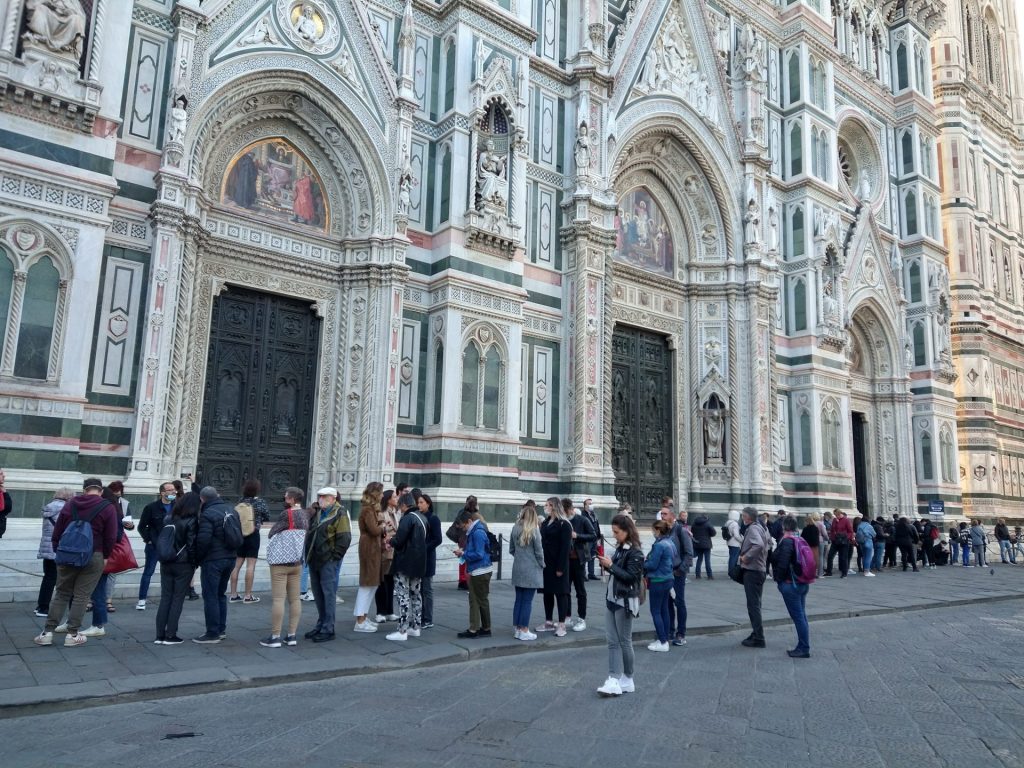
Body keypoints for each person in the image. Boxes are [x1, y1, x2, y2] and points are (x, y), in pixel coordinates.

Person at [34, 479, 118, 648]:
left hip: (67, 553)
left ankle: (47, 633)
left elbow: (58, 531)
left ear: (84, 490)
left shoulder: (70, 504)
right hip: (94, 553)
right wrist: (106, 555)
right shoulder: (107, 507)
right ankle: (72, 634)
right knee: (82, 595)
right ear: (100, 491)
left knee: (62, 593)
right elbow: (111, 536)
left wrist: (59, 550)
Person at [596, 514, 644, 697]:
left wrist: (611, 566)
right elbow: (619, 573)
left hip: (624, 601)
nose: (614, 535)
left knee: (624, 641)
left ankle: (627, 677)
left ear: (627, 531)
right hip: (612, 598)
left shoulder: (636, 552)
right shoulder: (621, 549)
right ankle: (615, 678)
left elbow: (631, 577)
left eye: (617, 532)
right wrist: (608, 564)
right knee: (612, 641)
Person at [260, 487, 308, 647]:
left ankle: (275, 637)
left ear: (293, 500)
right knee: (295, 599)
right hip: (296, 562)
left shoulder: (286, 514)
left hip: (280, 562)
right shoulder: (305, 514)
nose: (284, 500)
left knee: (279, 599)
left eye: (287, 498)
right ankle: (292, 635)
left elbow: (272, 532)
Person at [304, 487, 351, 642]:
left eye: (323, 497)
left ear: (333, 498)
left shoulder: (340, 513)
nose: (320, 499)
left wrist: (334, 557)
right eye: (319, 496)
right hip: (314, 559)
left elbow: (344, 538)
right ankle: (321, 624)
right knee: (318, 595)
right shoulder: (318, 512)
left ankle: (328, 628)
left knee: (328, 595)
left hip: (328, 560)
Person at [192, 486, 237, 643]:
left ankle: (212, 632)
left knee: (210, 595)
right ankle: (221, 629)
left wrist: (197, 558)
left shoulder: (207, 513)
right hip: (230, 558)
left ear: (202, 499)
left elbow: (203, 539)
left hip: (213, 559)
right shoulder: (231, 509)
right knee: (220, 594)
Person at [154, 491, 201, 645]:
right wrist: (194, 563)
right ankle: (171, 634)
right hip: (183, 563)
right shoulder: (192, 520)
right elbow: (191, 544)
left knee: (166, 597)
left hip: (166, 561)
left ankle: (160, 634)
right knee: (177, 598)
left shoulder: (168, 518)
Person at [386, 493, 428, 641]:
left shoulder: (407, 518)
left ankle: (402, 630)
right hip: (419, 563)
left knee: (403, 596)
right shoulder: (422, 518)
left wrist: (390, 541)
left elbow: (399, 540)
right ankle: (416, 627)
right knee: (416, 595)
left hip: (404, 563)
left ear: (404, 505)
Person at [772, 515, 811, 658]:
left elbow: (782, 563)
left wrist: (779, 581)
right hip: (802, 582)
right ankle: (803, 645)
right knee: (802, 615)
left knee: (798, 617)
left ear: (784, 527)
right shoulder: (800, 539)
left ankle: (804, 647)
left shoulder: (787, 541)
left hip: (790, 584)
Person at [136, 481, 177, 610]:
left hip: (171, 546)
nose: (173, 492)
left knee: (171, 573)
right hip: (154, 545)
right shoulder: (151, 507)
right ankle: (142, 599)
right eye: (170, 490)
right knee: (148, 572)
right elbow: (142, 526)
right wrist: (148, 540)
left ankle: (169, 599)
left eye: (174, 490)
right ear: (162, 493)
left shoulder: (178, 507)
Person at [454, 508, 492, 638]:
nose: (463, 529)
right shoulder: (477, 531)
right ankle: (485, 628)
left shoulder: (477, 533)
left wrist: (464, 553)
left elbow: (479, 554)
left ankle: (474, 629)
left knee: (475, 600)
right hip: (481, 569)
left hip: (479, 570)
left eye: (463, 526)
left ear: (469, 521)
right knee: (481, 599)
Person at [228, 479, 269, 604]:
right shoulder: (260, 502)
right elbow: (266, 516)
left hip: (240, 535)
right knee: (250, 566)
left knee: (236, 565)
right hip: (253, 534)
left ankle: (233, 594)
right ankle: (247, 595)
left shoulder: (240, 501)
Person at [537, 496, 572, 636]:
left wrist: (560, 568)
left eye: (547, 505)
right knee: (547, 593)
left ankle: (562, 624)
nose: (545, 507)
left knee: (561, 594)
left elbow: (565, 548)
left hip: (558, 564)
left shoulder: (564, 524)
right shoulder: (545, 523)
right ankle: (548, 621)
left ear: (554, 506)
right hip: (546, 564)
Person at [34, 488, 72, 617]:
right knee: (56, 578)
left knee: (47, 577)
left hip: (46, 547)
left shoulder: (49, 507)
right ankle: (44, 608)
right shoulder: (66, 509)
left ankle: (41, 605)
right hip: (57, 548)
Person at [509, 500, 544, 640]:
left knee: (519, 599)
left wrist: (520, 557)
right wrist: (542, 564)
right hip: (531, 568)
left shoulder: (515, 528)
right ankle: (524, 629)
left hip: (518, 567)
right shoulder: (534, 530)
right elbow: (539, 551)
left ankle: (518, 628)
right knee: (527, 601)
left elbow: (511, 549)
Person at [354, 482, 384, 633]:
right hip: (368, 547)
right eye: (381, 492)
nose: (383, 495)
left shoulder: (371, 509)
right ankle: (360, 620)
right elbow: (373, 530)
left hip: (373, 546)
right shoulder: (367, 510)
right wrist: (383, 526)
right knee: (367, 583)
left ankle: (364, 617)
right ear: (376, 494)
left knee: (372, 583)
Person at [738, 506, 769, 648]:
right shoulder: (760, 526)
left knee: (753, 605)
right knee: (756, 604)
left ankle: (759, 637)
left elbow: (759, 545)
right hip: (758, 570)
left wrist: (745, 557)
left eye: (743, 516)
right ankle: (756, 633)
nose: (742, 518)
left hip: (753, 571)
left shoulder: (753, 528)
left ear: (748, 517)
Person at [565, 497, 596, 631]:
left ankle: (581, 618)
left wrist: (577, 536)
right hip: (565, 560)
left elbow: (593, 535)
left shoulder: (582, 520)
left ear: (571, 510)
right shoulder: (562, 521)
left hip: (578, 559)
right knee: (565, 590)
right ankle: (567, 616)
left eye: (566, 511)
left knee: (580, 590)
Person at [644, 519, 674, 652]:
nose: (652, 532)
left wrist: (641, 563)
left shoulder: (659, 545)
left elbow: (652, 565)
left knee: (656, 611)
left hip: (657, 580)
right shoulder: (670, 542)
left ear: (657, 530)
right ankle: (664, 638)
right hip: (668, 578)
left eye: (653, 530)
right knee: (664, 610)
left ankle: (662, 641)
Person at [374, 490, 400, 622]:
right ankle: (380, 612)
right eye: (394, 497)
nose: (397, 499)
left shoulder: (395, 512)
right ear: (388, 499)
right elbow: (380, 531)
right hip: (384, 552)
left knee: (391, 582)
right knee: (382, 582)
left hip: (393, 552)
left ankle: (390, 611)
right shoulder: (381, 513)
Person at [669, 507, 693, 646]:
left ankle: (681, 633)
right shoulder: (665, 531)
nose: (662, 516)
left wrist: (681, 570)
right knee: (667, 603)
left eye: (665, 514)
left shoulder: (681, 531)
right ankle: (670, 630)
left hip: (677, 573)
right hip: (667, 573)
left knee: (679, 602)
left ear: (672, 516)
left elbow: (689, 553)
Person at [418, 493, 442, 628]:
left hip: (428, 557)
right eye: (418, 502)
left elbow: (438, 539)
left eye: (422, 502)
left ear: (428, 503)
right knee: (419, 589)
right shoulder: (418, 516)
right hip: (419, 558)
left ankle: (427, 618)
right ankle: (420, 616)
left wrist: (424, 548)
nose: (419, 505)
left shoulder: (433, 519)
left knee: (427, 589)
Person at [825, 508, 853, 577]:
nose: (835, 516)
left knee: (843, 557)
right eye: (834, 515)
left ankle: (844, 573)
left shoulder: (846, 520)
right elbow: (832, 530)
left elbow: (850, 531)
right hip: (835, 541)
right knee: (830, 556)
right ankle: (829, 572)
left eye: (836, 515)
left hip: (844, 542)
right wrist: (832, 537)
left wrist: (847, 538)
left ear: (840, 514)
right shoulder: (835, 520)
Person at [581, 498, 602, 580]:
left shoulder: (593, 514)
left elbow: (597, 525)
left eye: (591, 503)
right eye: (589, 504)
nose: (591, 505)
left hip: (594, 538)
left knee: (593, 556)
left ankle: (591, 573)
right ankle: (583, 574)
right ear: (585, 505)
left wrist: (598, 537)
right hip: (587, 538)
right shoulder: (583, 515)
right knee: (586, 556)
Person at [689, 512, 715, 578]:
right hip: (706, 544)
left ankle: (698, 575)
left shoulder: (694, 523)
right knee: (707, 560)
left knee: (699, 559)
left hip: (698, 543)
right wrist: (708, 535)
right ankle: (709, 575)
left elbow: (692, 532)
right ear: (706, 517)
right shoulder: (707, 523)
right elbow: (713, 532)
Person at [725, 509, 742, 575]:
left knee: (731, 557)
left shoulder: (727, 523)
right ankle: (731, 572)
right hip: (735, 543)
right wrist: (742, 540)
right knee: (733, 558)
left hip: (729, 542)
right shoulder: (735, 524)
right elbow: (736, 535)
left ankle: (731, 571)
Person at [0, 468, 11, 539]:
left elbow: (8, 509)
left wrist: (5, 494)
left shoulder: (2, 490)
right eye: (1, 474)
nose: (4, 476)